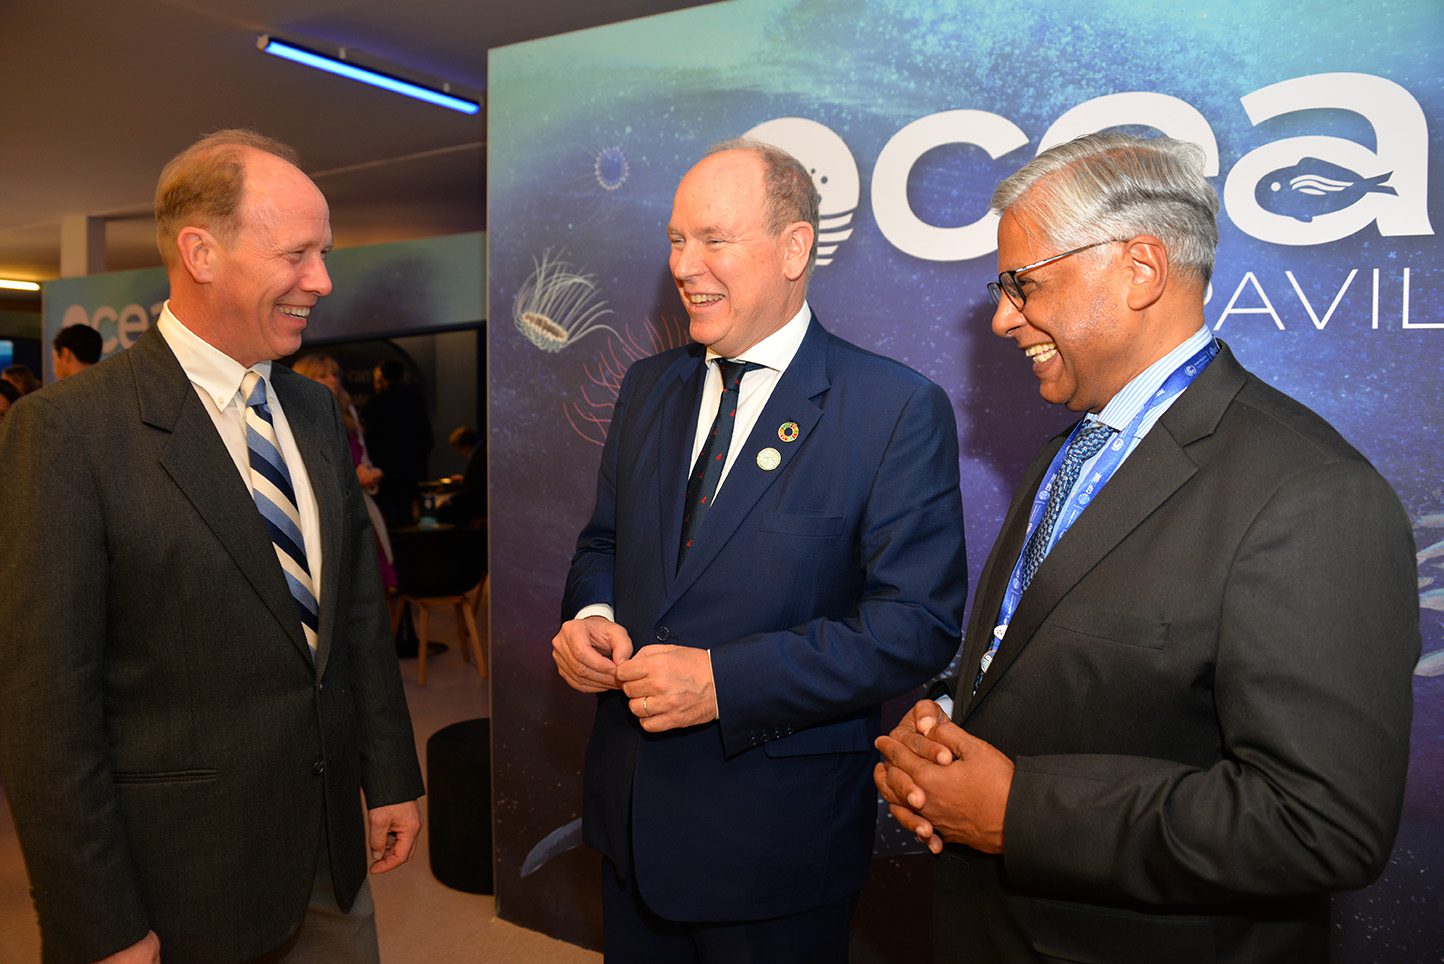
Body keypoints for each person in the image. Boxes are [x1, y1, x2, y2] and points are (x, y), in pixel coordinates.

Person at [874, 133, 1419, 962]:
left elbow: (1321, 825)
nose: (1001, 317)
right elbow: (1049, 658)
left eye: (1023, 284)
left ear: (1140, 267)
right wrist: (949, 722)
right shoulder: (1073, 450)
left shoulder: (1312, 496)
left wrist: (1021, 810)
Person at [0, 129, 425, 963]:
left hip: (333, 859)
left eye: (324, 253)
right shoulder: (67, 434)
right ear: (201, 251)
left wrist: (392, 776)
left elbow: (357, 625)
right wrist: (100, 923)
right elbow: (47, 716)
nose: (323, 281)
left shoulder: (309, 414)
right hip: (180, 886)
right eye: (297, 253)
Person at [553, 139, 968, 961]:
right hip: (631, 824)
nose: (684, 264)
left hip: (775, 846)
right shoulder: (648, 388)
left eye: (712, 239)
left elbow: (914, 627)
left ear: (794, 248)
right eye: (675, 240)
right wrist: (591, 614)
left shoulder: (892, 409)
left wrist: (723, 683)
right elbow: (603, 541)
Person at [292, 352, 396, 589]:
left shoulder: (347, 412)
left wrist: (367, 475)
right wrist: (352, 479)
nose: (333, 380)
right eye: (322, 375)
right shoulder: (297, 418)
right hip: (328, 520)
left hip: (362, 511)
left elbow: (362, 457)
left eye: (335, 374)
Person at [362, 357, 433, 526]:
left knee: (386, 523)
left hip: (383, 474)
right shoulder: (415, 401)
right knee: (407, 519)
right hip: (410, 472)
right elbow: (427, 439)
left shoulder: (375, 403)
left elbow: (368, 441)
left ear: (382, 377)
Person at [437, 425, 486, 528]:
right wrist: (464, 479)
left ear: (464, 446)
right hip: (478, 501)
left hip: (478, 505)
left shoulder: (478, 458)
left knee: (441, 512)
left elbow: (472, 491)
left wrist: (448, 501)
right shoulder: (483, 451)